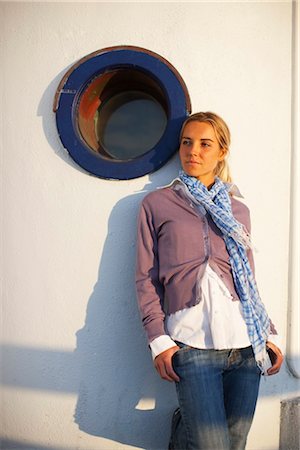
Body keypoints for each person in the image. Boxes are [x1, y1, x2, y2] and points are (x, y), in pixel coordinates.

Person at [135, 112, 283, 450]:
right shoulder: (157, 204)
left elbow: (248, 279)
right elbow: (145, 278)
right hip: (191, 344)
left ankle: (184, 431)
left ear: (222, 151)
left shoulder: (237, 209)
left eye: (205, 144)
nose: (192, 151)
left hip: (246, 345)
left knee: (235, 443)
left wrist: (269, 333)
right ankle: (184, 429)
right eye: (187, 142)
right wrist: (158, 339)